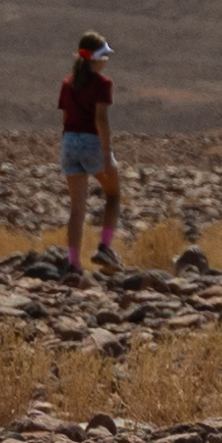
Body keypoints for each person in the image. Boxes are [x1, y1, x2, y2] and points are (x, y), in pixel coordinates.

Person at [58, 31, 123, 274]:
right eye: (104, 55)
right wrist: (106, 154)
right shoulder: (102, 84)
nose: (106, 60)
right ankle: (105, 247)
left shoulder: (68, 82)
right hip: (92, 143)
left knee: (77, 209)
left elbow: (66, 117)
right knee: (114, 195)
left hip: (69, 143)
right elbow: (101, 119)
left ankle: (73, 263)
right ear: (96, 58)